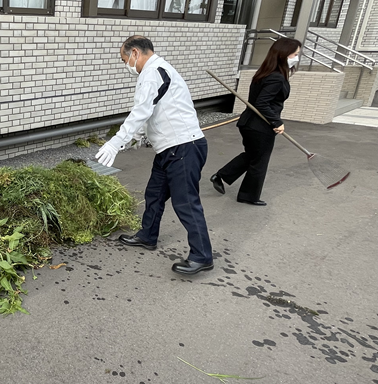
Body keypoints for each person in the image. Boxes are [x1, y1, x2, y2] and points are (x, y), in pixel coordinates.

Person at [96, 35, 213, 275]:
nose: (125, 64)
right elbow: (152, 111)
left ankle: (202, 256)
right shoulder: (159, 70)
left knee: (186, 203)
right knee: (154, 194)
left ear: (135, 53)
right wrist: (137, 137)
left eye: (124, 59)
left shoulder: (152, 73)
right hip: (169, 148)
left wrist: (116, 142)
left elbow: (140, 111)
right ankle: (148, 236)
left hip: (183, 148)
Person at [210, 38, 301, 206]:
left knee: (252, 156)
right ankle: (248, 196)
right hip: (260, 126)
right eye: (294, 54)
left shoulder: (264, 73)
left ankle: (222, 175)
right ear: (283, 55)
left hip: (249, 124)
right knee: (259, 161)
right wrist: (276, 122)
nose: (297, 58)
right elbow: (261, 104)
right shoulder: (276, 78)